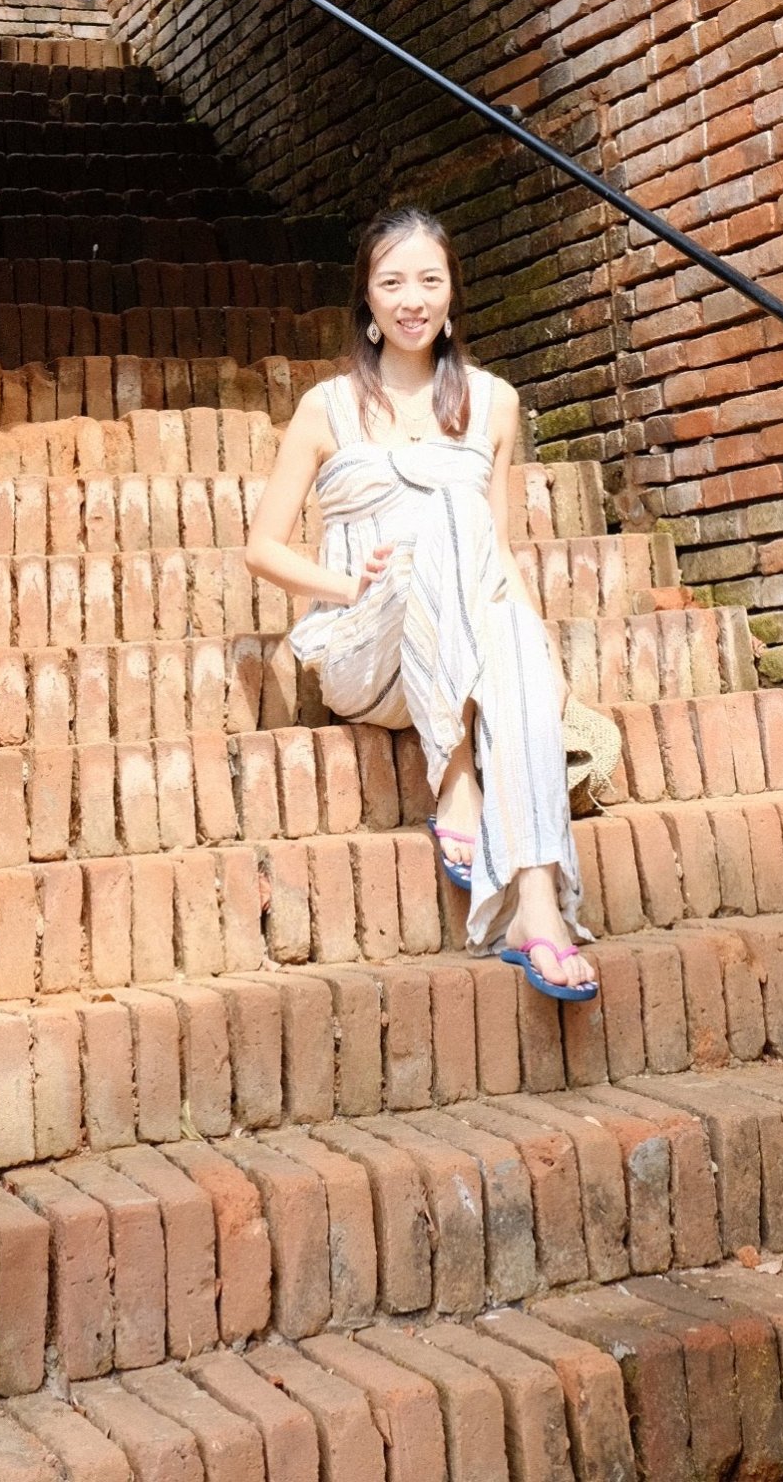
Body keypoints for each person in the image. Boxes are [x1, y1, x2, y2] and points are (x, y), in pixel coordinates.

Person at [245, 203, 597, 1002]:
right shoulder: (327, 407)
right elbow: (261, 548)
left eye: (429, 281)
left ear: (452, 292)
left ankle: (536, 906)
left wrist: (540, 646)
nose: (413, 300)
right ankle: (457, 774)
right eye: (393, 283)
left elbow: (495, 549)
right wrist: (348, 584)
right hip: (366, 649)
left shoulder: (494, 401)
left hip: (463, 637)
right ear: (367, 300)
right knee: (443, 522)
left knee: (492, 590)